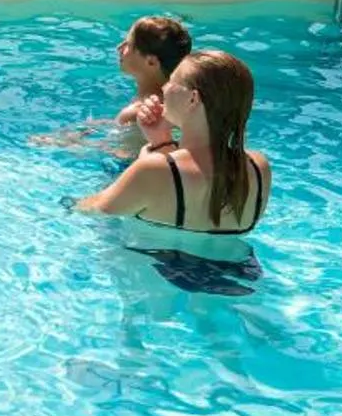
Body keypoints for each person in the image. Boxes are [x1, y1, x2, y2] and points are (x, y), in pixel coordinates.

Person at [78, 50, 272, 285]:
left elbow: (88, 209)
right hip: (241, 274)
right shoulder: (258, 167)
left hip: (161, 276)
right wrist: (161, 141)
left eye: (173, 81)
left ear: (193, 99)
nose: (165, 88)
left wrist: (149, 158)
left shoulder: (154, 170)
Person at [113, 14, 192, 137]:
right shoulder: (182, 99)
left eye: (128, 44)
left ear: (151, 62)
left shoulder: (136, 114)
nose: (119, 47)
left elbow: (119, 152)